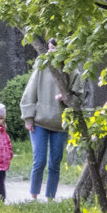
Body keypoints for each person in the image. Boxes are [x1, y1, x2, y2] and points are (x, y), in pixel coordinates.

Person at [19, 38, 83, 200]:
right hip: (40, 121)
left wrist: (66, 97)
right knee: (39, 160)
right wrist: (28, 117)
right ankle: (33, 197)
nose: (51, 51)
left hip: (60, 123)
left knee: (55, 162)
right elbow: (30, 92)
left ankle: (50, 198)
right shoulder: (42, 66)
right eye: (49, 47)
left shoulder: (71, 70)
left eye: (54, 47)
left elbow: (78, 96)